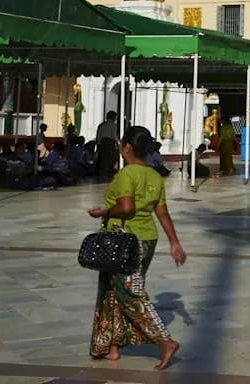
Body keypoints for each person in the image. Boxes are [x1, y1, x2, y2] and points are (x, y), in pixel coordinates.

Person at [87, 125, 185, 370]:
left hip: (125, 240)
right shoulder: (154, 175)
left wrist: (104, 211)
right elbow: (162, 212)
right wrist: (174, 241)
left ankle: (164, 340)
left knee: (131, 293)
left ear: (127, 148)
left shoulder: (126, 175)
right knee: (111, 289)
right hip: (147, 239)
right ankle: (112, 346)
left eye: (121, 144)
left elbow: (127, 208)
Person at [96, 112, 119, 180]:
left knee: (103, 159)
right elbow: (114, 136)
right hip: (110, 143)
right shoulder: (113, 125)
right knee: (111, 159)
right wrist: (118, 143)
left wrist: (98, 144)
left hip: (102, 143)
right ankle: (108, 172)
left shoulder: (102, 125)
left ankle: (103, 173)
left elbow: (98, 136)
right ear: (113, 117)